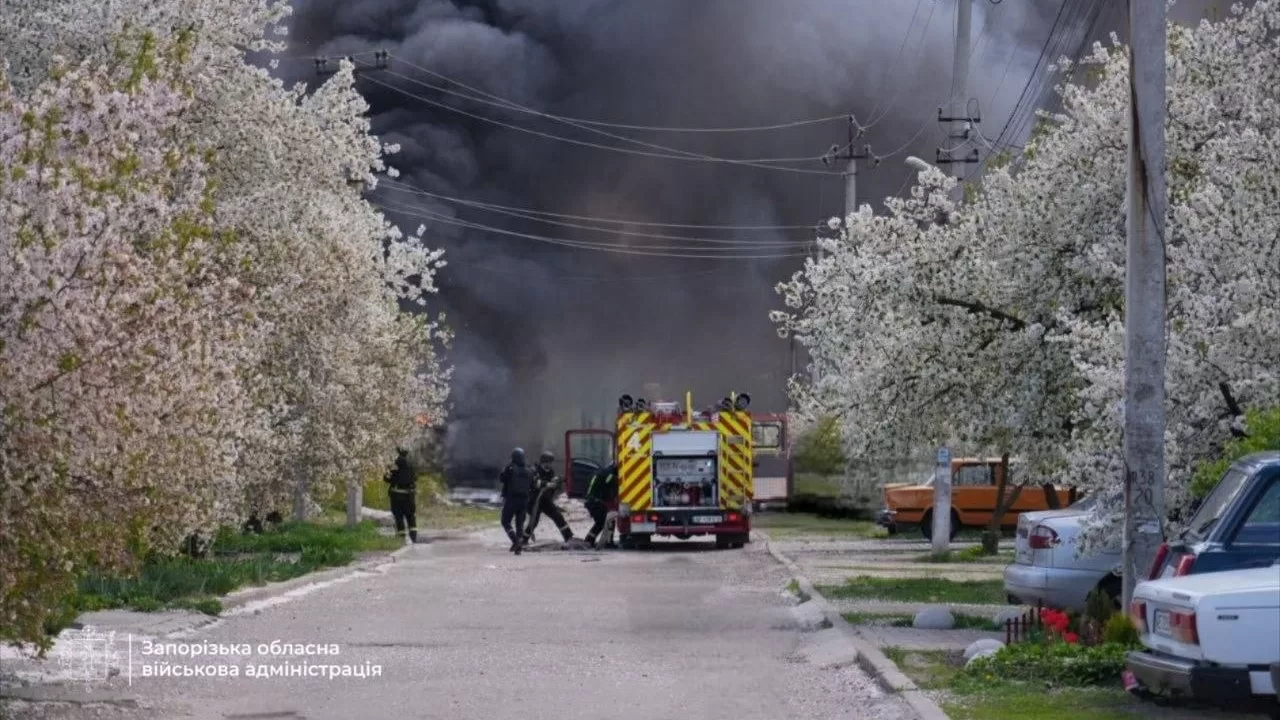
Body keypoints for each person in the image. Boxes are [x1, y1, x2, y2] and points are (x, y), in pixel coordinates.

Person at [523, 451, 574, 545]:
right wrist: (547, 484)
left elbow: (553, 484)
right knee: (534, 521)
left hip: (545, 500)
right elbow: (536, 483)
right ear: (543, 462)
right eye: (548, 462)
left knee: (557, 516)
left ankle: (568, 537)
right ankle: (523, 539)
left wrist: (557, 481)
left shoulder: (550, 471)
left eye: (550, 462)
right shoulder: (534, 470)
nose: (549, 464)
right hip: (534, 500)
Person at [498, 447, 535, 554]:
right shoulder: (530, 470)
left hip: (512, 499)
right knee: (520, 525)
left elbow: (502, 479)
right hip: (524, 501)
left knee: (505, 521)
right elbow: (533, 486)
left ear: (513, 457)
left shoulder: (510, 468)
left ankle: (515, 541)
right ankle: (518, 544)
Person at [385, 448, 418, 543]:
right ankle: (414, 537)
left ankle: (401, 537)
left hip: (397, 498)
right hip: (409, 497)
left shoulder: (394, 467)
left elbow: (386, 479)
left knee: (399, 517)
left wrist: (388, 469)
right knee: (411, 516)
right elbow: (415, 478)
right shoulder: (412, 467)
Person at [583, 461, 619, 549]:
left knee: (600, 522)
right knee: (608, 520)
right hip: (595, 501)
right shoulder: (610, 475)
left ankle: (589, 540)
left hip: (589, 500)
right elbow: (608, 489)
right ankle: (608, 542)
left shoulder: (599, 471)